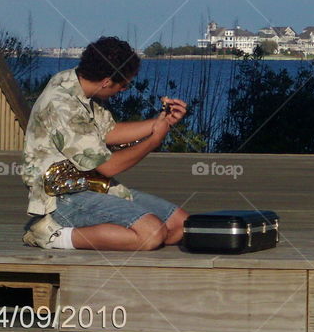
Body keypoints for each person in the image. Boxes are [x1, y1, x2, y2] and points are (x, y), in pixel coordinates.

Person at [19, 36, 189, 250]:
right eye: (124, 84)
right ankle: (51, 236)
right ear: (107, 81)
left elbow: (109, 132)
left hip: (96, 186)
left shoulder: (77, 83)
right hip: (63, 195)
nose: (125, 88)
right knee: (151, 233)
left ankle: (113, 233)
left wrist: (161, 121)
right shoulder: (62, 105)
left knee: (181, 226)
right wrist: (154, 140)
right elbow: (109, 166)